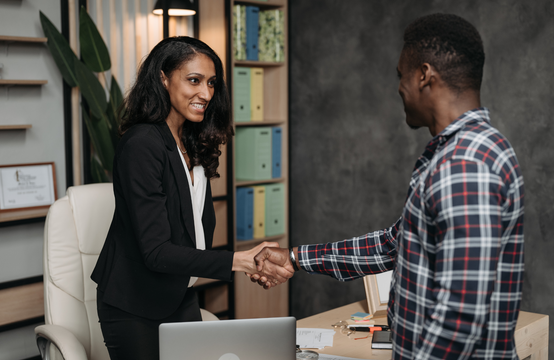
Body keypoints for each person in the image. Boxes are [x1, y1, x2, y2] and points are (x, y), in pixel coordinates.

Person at [253, 13, 525, 360]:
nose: (399, 87)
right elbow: (392, 245)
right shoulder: (466, 151)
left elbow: (461, 317)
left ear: (424, 75)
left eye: (402, 75)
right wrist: (293, 257)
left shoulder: (465, 165)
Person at [91, 36, 290, 360]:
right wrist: (238, 261)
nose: (207, 93)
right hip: (134, 302)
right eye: (194, 80)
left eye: (211, 83)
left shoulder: (189, 140)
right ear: (163, 78)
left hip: (178, 292)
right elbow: (156, 251)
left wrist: (245, 264)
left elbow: (190, 234)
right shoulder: (142, 144)